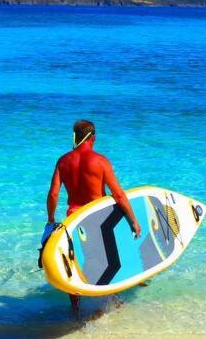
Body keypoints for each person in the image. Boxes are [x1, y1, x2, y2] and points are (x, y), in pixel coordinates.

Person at [45, 120, 141, 316]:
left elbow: (54, 194)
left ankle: (75, 309)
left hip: (74, 218)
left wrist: (50, 220)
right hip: (97, 218)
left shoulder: (63, 161)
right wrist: (133, 221)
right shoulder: (100, 161)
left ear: (75, 137)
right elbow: (119, 195)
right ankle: (111, 299)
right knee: (110, 258)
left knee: (74, 263)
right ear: (93, 138)